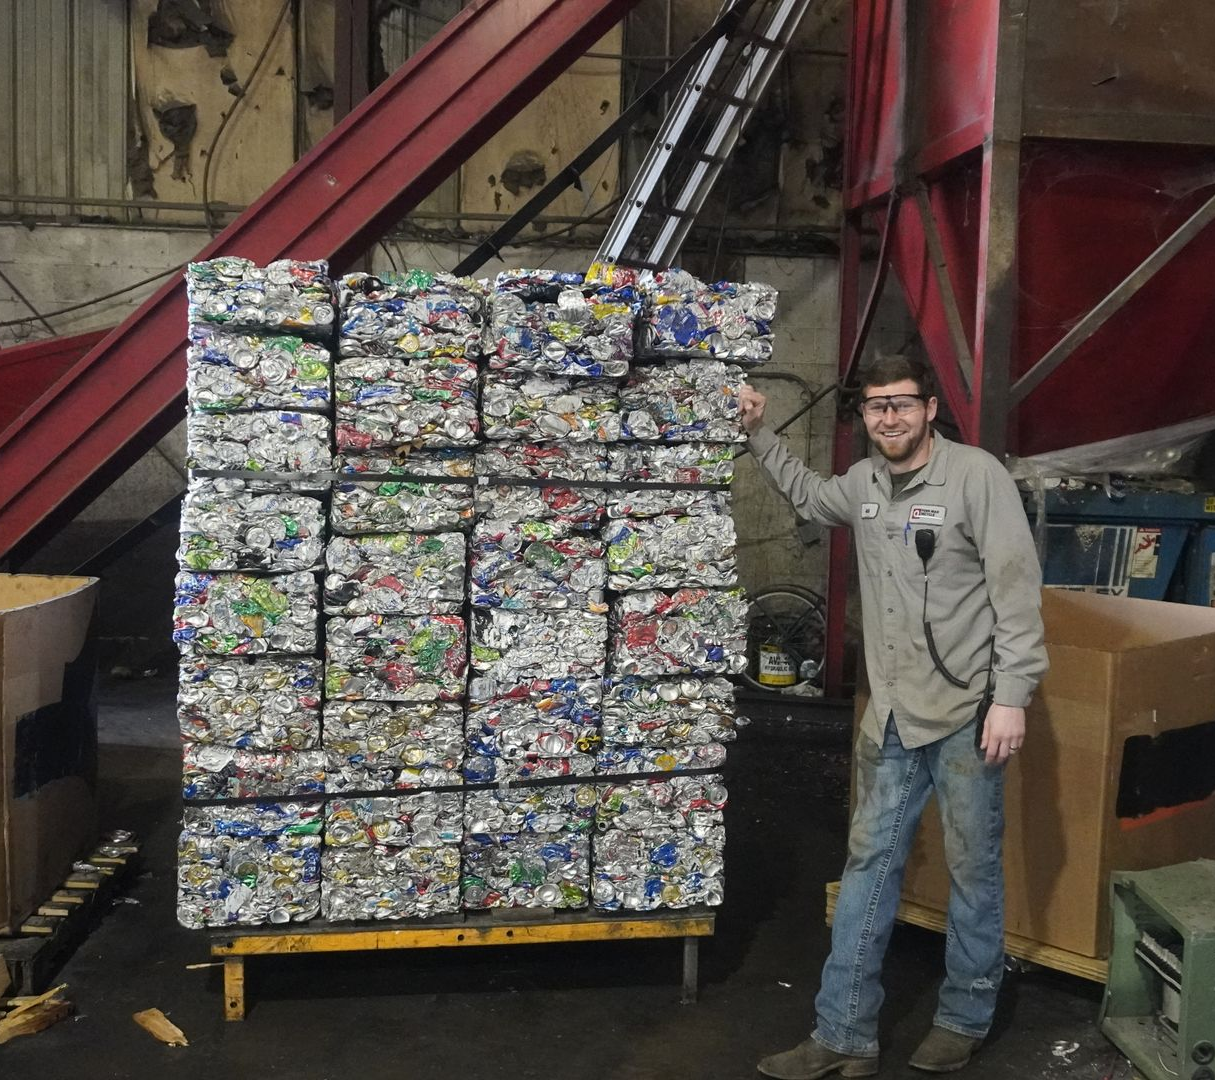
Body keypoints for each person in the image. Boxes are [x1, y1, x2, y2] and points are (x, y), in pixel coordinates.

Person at [744, 355, 1047, 1079]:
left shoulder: (976, 478)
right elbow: (812, 498)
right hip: (891, 719)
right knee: (866, 870)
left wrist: (1011, 696)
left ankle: (963, 1015)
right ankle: (841, 1030)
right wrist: (757, 434)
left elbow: (1016, 589)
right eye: (876, 407)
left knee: (972, 871)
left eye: (901, 405)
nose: (888, 418)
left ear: (929, 408)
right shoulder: (863, 484)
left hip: (967, 716)